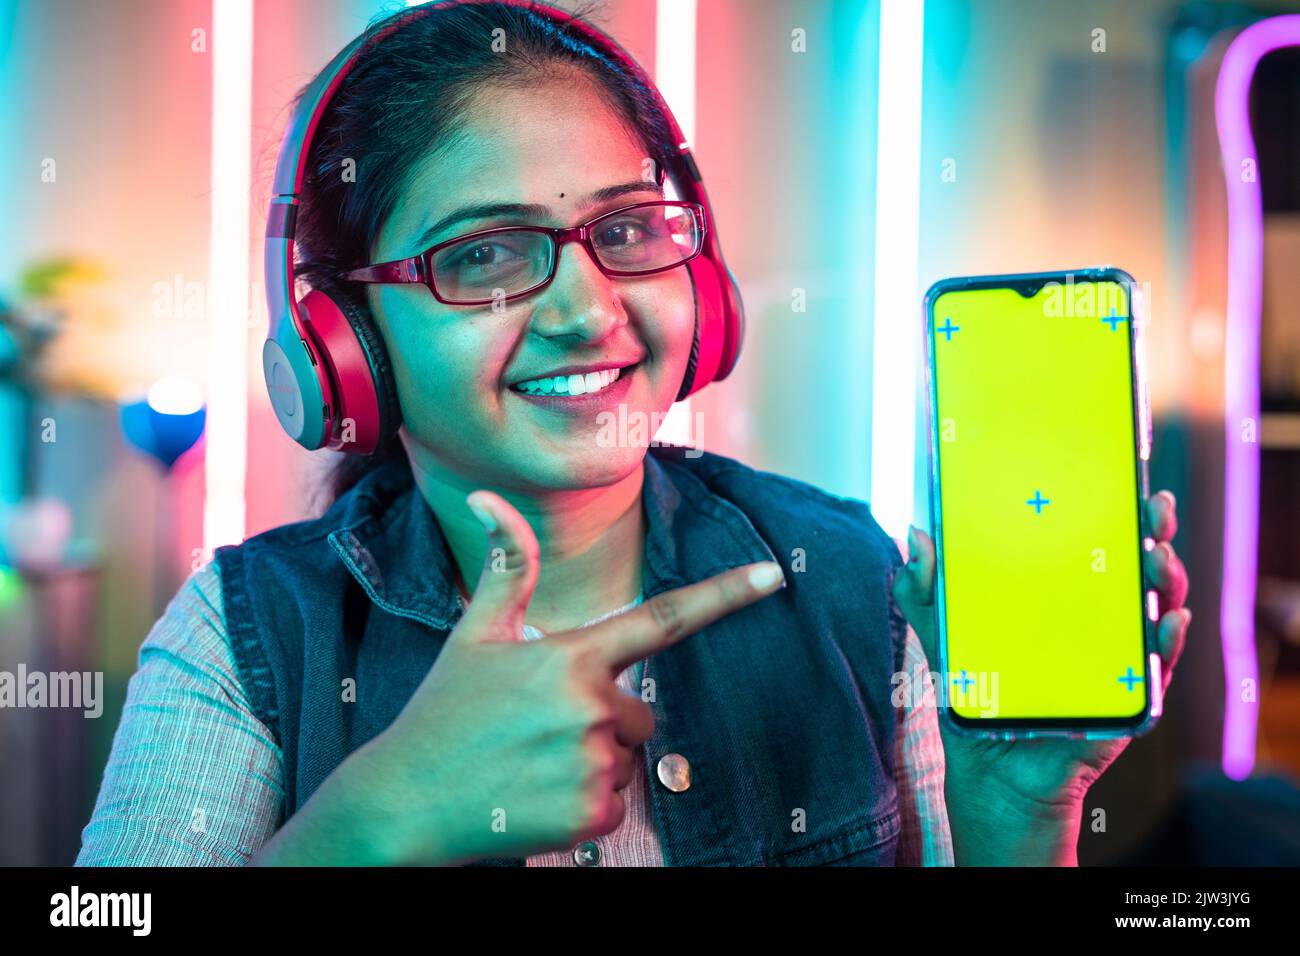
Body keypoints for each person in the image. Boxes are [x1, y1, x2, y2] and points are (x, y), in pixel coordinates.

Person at [76, 0, 1189, 867]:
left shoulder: (854, 578)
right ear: (342, 338)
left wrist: (1013, 810)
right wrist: (379, 817)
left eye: (625, 228)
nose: (586, 307)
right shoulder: (245, 638)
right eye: (485, 252)